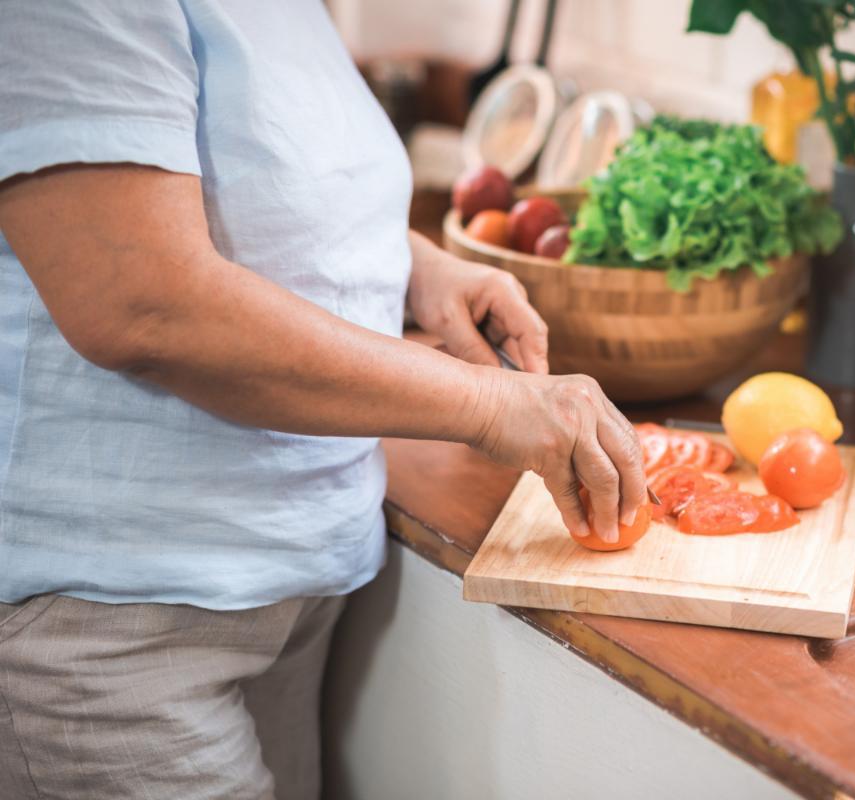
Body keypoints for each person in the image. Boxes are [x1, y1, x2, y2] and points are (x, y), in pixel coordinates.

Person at [0, 2, 646, 798]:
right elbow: (141, 302)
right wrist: (487, 404)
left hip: (285, 584)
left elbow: (245, 176)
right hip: (109, 615)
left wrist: (414, 265)